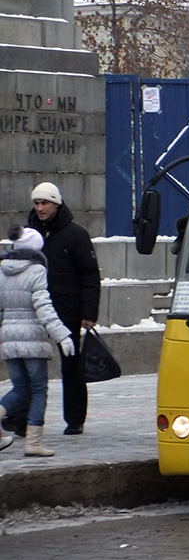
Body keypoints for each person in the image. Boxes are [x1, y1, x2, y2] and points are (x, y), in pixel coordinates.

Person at [2, 183, 100, 438]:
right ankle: (22, 421)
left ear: (56, 204)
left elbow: (89, 276)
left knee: (71, 365)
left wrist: (88, 313)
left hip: (66, 305)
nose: (40, 208)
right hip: (31, 309)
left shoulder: (76, 235)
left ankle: (75, 419)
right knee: (29, 371)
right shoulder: (28, 234)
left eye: (45, 203)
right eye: (36, 203)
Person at [0, 225, 76, 457]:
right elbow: (44, 307)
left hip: (9, 340)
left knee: (20, 388)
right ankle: (33, 443)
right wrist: (63, 334)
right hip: (32, 338)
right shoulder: (37, 271)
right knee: (39, 389)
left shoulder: (2, 270)